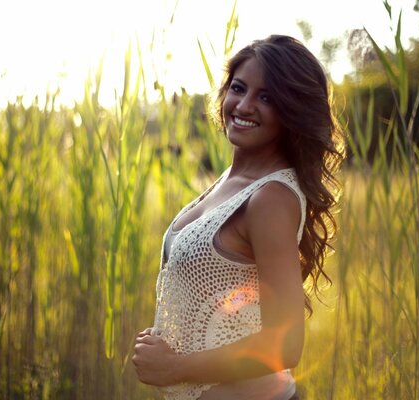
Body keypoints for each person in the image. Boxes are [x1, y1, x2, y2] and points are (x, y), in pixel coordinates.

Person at [132, 34, 344, 400]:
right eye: (238, 88)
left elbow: (286, 345)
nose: (244, 106)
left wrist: (175, 367)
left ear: (292, 109)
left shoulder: (270, 197)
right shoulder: (234, 180)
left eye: (266, 97)